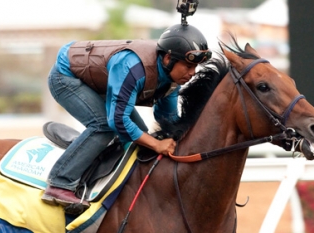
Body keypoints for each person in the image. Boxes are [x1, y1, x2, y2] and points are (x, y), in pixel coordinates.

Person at [41, 23, 211, 212]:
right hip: (66, 77)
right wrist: (156, 144)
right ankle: (60, 183)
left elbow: (167, 118)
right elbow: (118, 120)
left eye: (195, 67)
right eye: (188, 66)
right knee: (103, 126)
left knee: (141, 137)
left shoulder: (173, 80)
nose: (192, 73)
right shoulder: (133, 67)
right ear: (169, 58)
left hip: (97, 82)